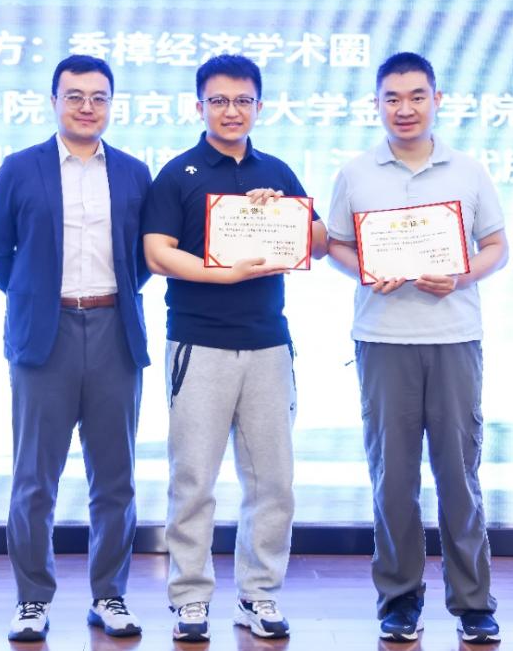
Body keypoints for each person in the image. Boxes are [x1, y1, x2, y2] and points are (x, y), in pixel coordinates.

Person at [142, 54, 327, 642]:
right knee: (193, 479)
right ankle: (190, 599)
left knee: (272, 481)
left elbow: (320, 242)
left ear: (259, 107)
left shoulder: (277, 171)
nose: (231, 111)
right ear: (199, 106)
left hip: (268, 344)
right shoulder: (178, 173)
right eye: (218, 101)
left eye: (242, 101)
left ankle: (258, 594)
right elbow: (156, 253)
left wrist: (286, 217)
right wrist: (220, 274)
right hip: (199, 343)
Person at [326, 52, 508, 645]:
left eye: (416, 96)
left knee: (459, 475)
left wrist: (460, 276)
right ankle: (400, 599)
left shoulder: (468, 171)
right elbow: (335, 244)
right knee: (392, 478)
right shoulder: (356, 173)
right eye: (392, 98)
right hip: (383, 339)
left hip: (454, 337)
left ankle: (473, 603)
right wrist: (366, 270)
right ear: (376, 104)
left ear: (437, 99)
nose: (404, 109)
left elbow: (497, 246)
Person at [0, 54, 151, 642]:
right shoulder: (19, 168)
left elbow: (142, 258)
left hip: (113, 332)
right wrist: (35, 296)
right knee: (35, 479)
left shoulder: (133, 172)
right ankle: (32, 599)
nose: (87, 107)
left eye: (99, 97)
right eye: (74, 96)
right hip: (43, 336)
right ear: (54, 101)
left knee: (116, 478)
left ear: (111, 104)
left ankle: (110, 595)